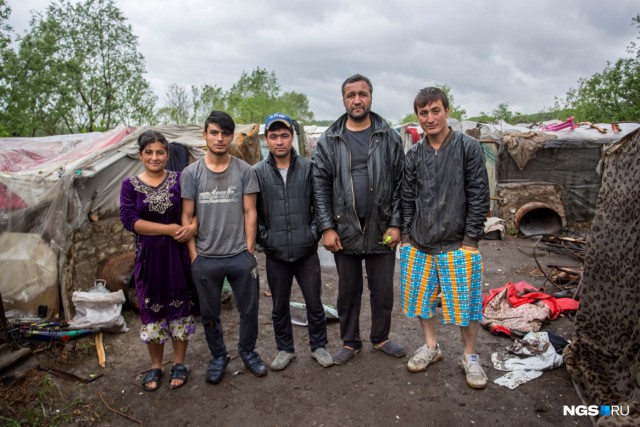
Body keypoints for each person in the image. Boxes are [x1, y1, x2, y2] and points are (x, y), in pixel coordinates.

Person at [400, 87, 490, 389]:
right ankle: (431, 346)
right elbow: (407, 197)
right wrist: (407, 237)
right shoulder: (413, 154)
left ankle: (469, 356)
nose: (430, 118)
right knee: (421, 300)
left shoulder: (468, 148)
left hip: (457, 242)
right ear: (418, 117)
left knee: (465, 306)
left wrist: (471, 238)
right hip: (420, 242)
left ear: (447, 111)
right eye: (423, 113)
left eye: (435, 110)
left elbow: (479, 194)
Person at [313, 74, 406, 365]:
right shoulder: (330, 139)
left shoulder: (388, 136)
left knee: (382, 290)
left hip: (382, 227)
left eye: (362, 94)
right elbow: (320, 185)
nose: (357, 100)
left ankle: (380, 338)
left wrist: (397, 223)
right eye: (351, 95)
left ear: (371, 97)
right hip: (345, 228)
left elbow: (402, 182)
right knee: (348, 290)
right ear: (343, 100)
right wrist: (327, 227)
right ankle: (350, 342)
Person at [180, 111, 267, 384]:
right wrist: (194, 256)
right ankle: (218, 356)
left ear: (231, 137)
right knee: (210, 313)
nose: (219, 139)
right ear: (204, 135)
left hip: (239, 255)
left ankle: (248, 351)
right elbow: (186, 216)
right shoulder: (191, 173)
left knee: (249, 309)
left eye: (225, 133)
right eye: (214, 133)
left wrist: (249, 250)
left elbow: (250, 211)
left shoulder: (244, 170)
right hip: (206, 258)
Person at [119, 130, 199, 391]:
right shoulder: (129, 186)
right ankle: (156, 366)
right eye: (149, 152)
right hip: (149, 261)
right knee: (151, 313)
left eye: (160, 152)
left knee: (180, 310)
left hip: (178, 258)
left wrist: (192, 227)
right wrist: (167, 229)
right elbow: (130, 221)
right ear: (140, 155)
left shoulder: (180, 180)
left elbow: (195, 210)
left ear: (167, 154)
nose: (155, 157)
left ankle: (179, 363)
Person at [253, 113, 333, 371]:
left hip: (306, 251)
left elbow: (320, 205)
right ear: (267, 140)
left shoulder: (309, 168)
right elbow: (254, 213)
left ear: (292, 138)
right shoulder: (257, 172)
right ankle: (285, 349)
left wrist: (312, 234)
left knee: (314, 302)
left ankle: (319, 346)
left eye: (284, 136)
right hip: (276, 253)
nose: (279, 141)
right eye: (274, 136)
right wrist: (265, 238)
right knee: (278, 306)